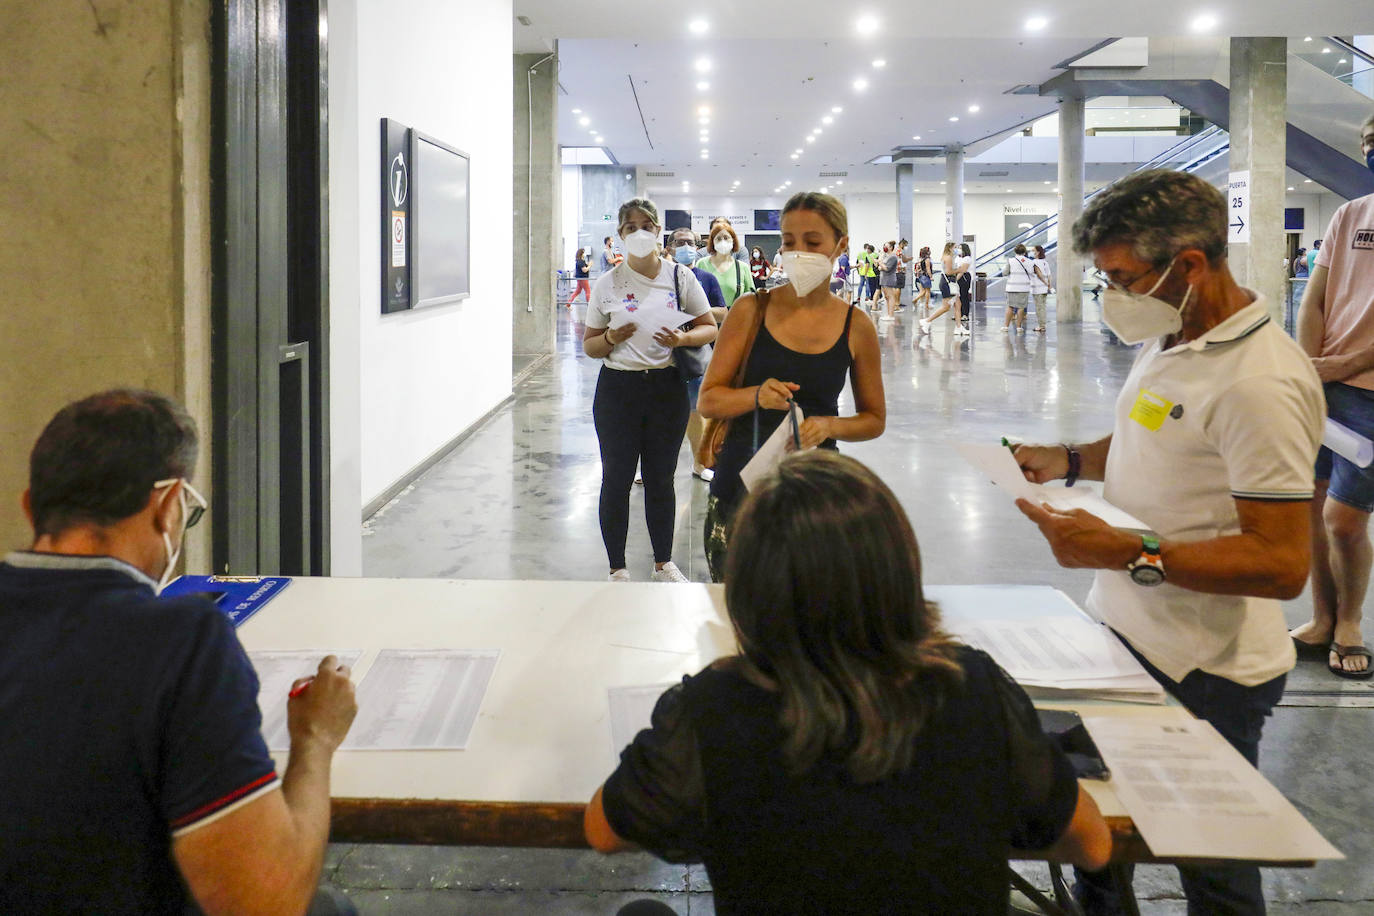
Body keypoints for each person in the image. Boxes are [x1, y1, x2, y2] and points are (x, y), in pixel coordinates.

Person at [584, 450, 1112, 914]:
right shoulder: (971, 685)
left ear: (749, 588)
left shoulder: (715, 707)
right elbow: (1093, 845)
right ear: (897, 570)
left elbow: (602, 830)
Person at [1010, 169, 1323, 915]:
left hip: (1205, 670)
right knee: (1096, 834)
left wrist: (1128, 552)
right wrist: (1074, 460)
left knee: (1211, 868)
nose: (1113, 295)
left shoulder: (1259, 383)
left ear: (1188, 265)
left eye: (1122, 277)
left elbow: (1281, 565)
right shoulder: (1178, 336)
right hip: (1127, 638)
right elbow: (1154, 433)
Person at [0, 389, 358, 915]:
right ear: (169, 507)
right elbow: (266, 902)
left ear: (30, 506)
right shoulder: (182, 641)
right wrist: (316, 739)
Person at [697, 191, 885, 582]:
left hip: (816, 494)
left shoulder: (856, 326)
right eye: (788, 241)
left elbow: (873, 419)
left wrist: (829, 426)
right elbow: (709, 400)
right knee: (737, 613)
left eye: (813, 242)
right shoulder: (750, 310)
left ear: (841, 245)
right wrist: (755, 395)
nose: (798, 252)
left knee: (808, 616)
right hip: (741, 489)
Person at [583, 198, 718, 582]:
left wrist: (681, 337)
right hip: (617, 391)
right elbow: (591, 347)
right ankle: (617, 568)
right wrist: (610, 336)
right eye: (631, 227)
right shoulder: (607, 284)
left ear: (659, 232)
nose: (639, 233)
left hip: (666, 387)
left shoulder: (680, 277)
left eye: (647, 225)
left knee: (661, 478)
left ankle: (663, 562)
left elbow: (709, 327)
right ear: (620, 235)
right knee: (617, 478)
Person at [1290, 113, 1374, 679]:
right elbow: (1314, 301)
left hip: (1368, 393)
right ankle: (1322, 619)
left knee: (1343, 518)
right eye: (1371, 143)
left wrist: (1349, 361)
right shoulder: (1351, 214)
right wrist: (1309, 368)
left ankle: (1351, 622)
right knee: (1311, 509)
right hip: (1325, 388)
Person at [668, 226, 729, 483]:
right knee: (662, 415)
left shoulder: (705, 278)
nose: (686, 247)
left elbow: (722, 312)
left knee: (695, 412)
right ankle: (653, 467)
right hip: (661, 355)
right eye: (680, 242)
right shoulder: (661, 277)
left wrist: (697, 312)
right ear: (670, 247)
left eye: (691, 242)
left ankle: (698, 463)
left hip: (694, 355)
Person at [697, 221, 756, 311]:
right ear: (713, 242)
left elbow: (751, 299)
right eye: (718, 239)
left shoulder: (742, 267)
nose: (723, 242)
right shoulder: (702, 264)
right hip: (707, 320)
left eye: (726, 238)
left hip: (735, 320)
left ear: (733, 240)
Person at [920, 241, 959, 333]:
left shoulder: (947, 257)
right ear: (950, 248)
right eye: (955, 247)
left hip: (948, 282)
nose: (956, 249)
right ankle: (927, 321)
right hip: (948, 282)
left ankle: (959, 326)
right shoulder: (948, 258)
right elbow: (949, 272)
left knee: (957, 304)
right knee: (946, 307)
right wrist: (960, 269)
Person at [1004, 243, 1036, 332]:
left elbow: (1005, 272)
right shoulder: (1030, 262)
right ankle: (1018, 327)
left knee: (1010, 307)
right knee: (1021, 307)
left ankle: (1006, 327)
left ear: (1015, 251)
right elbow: (1032, 273)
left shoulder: (1010, 260)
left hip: (1012, 287)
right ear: (1024, 251)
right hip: (1024, 287)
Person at [953, 242, 974, 336]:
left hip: (964, 277)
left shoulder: (967, 258)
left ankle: (965, 314)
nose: (958, 249)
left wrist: (956, 279)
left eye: (960, 248)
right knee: (958, 297)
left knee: (964, 296)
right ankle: (959, 314)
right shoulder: (957, 258)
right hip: (957, 275)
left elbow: (963, 270)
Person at [1030, 244, 1054, 332]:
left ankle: (1041, 326)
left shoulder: (1034, 262)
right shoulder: (1045, 262)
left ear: (1038, 252)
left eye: (1033, 251)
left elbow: (1039, 275)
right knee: (1043, 307)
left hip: (1037, 289)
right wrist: (1049, 285)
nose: (1032, 252)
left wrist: (1046, 283)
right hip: (1044, 289)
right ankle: (1042, 325)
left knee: (1039, 307)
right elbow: (1049, 275)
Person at [878, 241, 901, 322]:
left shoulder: (893, 257)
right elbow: (880, 267)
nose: (885, 247)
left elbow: (887, 268)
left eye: (886, 246)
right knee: (887, 297)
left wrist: (880, 263)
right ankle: (888, 314)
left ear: (891, 247)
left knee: (890, 296)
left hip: (889, 279)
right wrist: (880, 264)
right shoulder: (886, 256)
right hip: (884, 278)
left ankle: (891, 315)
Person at [856, 242, 879, 308]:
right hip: (870, 272)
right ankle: (867, 297)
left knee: (861, 284)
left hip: (862, 272)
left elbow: (857, 262)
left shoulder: (860, 254)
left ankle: (858, 297)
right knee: (868, 285)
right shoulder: (873, 254)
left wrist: (858, 271)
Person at [913, 245, 933, 317]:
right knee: (927, 291)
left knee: (923, 291)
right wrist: (931, 276)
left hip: (920, 276)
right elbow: (928, 269)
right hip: (926, 276)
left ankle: (916, 300)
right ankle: (926, 304)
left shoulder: (920, 259)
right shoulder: (927, 259)